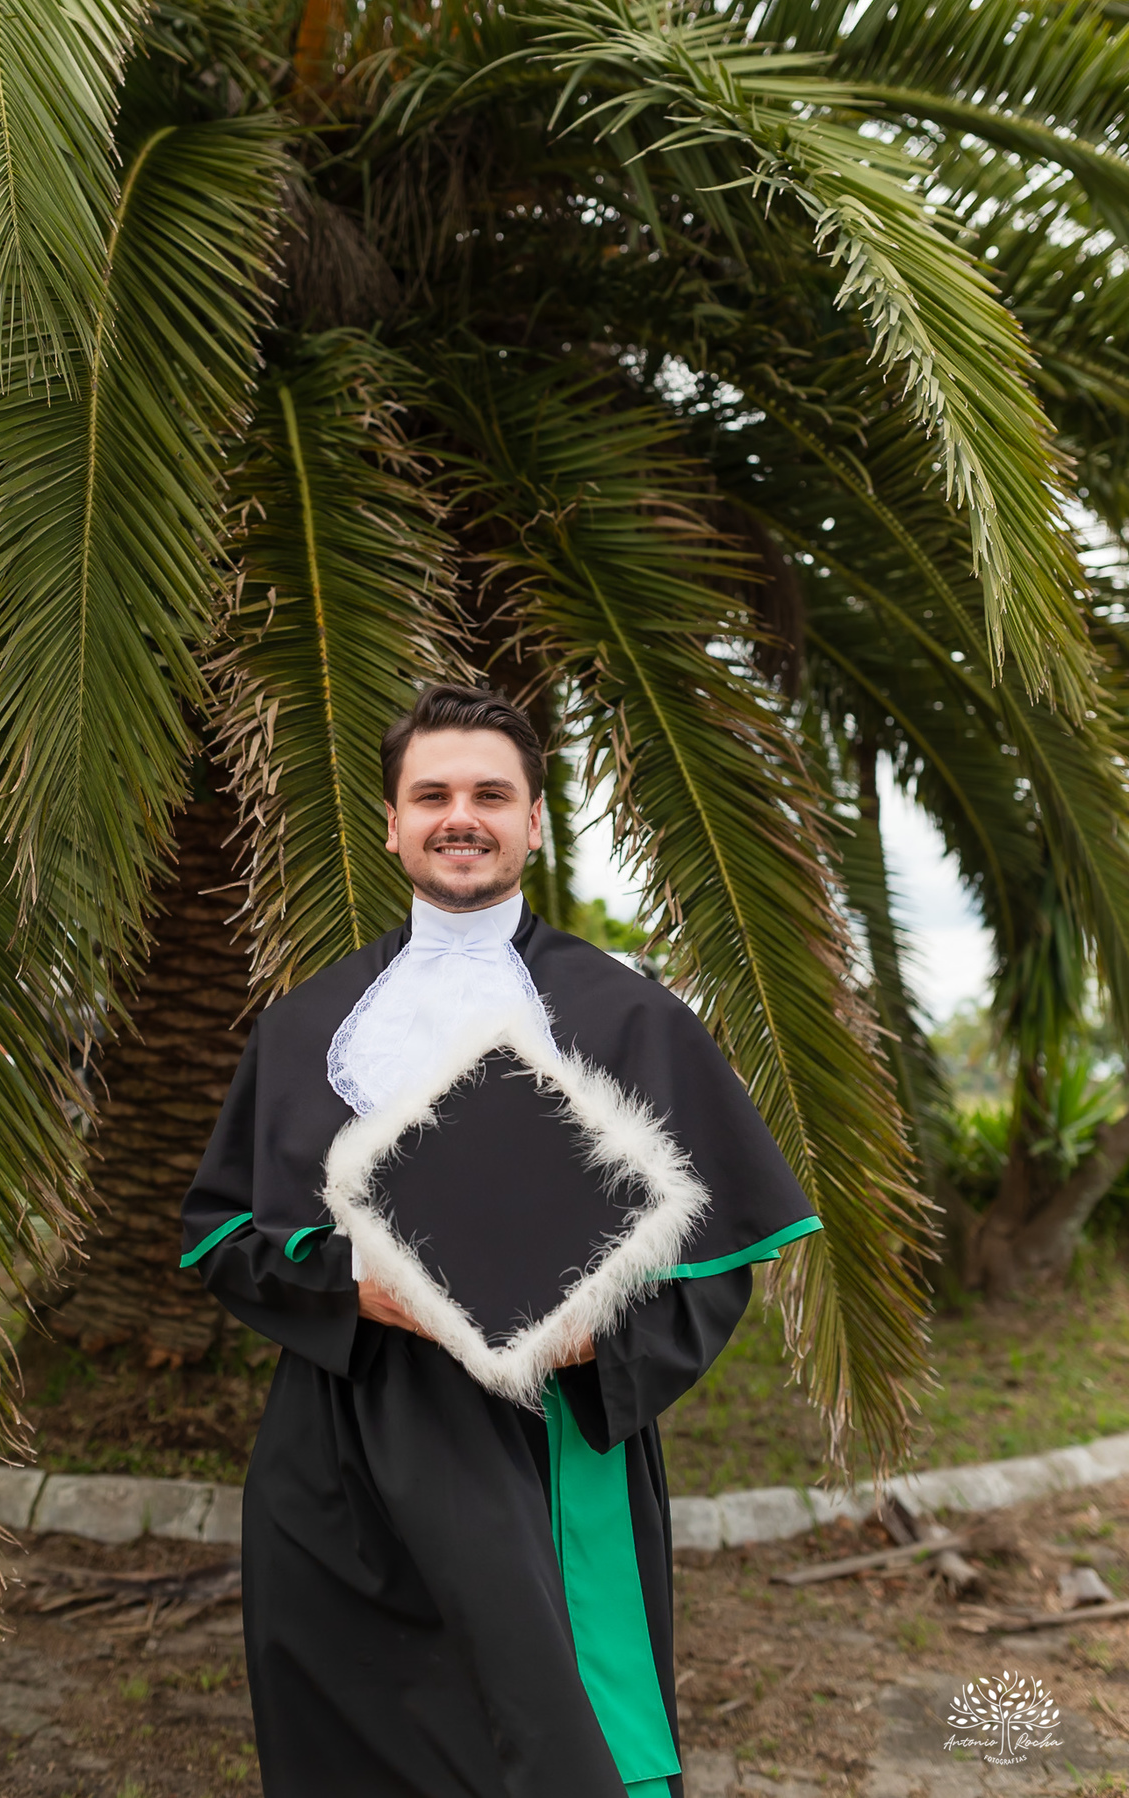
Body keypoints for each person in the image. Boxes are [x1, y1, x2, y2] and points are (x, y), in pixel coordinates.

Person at [180, 684, 821, 1798]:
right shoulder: (306, 1024)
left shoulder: (629, 1018)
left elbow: (717, 1265)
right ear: (391, 822)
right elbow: (225, 1235)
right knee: (346, 1741)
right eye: (431, 794)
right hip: (342, 1446)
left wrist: (591, 1339)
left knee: (552, 1749)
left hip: (542, 1451)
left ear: (535, 820)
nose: (458, 815)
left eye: (490, 792)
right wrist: (354, 1288)